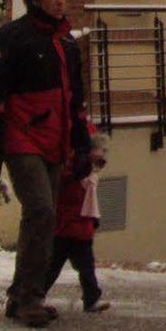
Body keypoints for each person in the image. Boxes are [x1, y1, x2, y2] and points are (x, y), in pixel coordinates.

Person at [0, 0, 91, 328]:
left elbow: (74, 99)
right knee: (40, 210)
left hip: (55, 141)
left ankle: (22, 294)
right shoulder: (12, 37)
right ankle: (28, 299)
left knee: (43, 217)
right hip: (21, 139)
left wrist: (81, 144)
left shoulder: (67, 43)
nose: (60, 2)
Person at [45, 133, 109, 312]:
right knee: (59, 266)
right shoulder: (77, 172)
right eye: (101, 150)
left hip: (77, 228)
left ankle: (91, 297)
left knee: (78, 266)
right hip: (69, 227)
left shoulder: (88, 175)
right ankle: (90, 298)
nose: (103, 155)